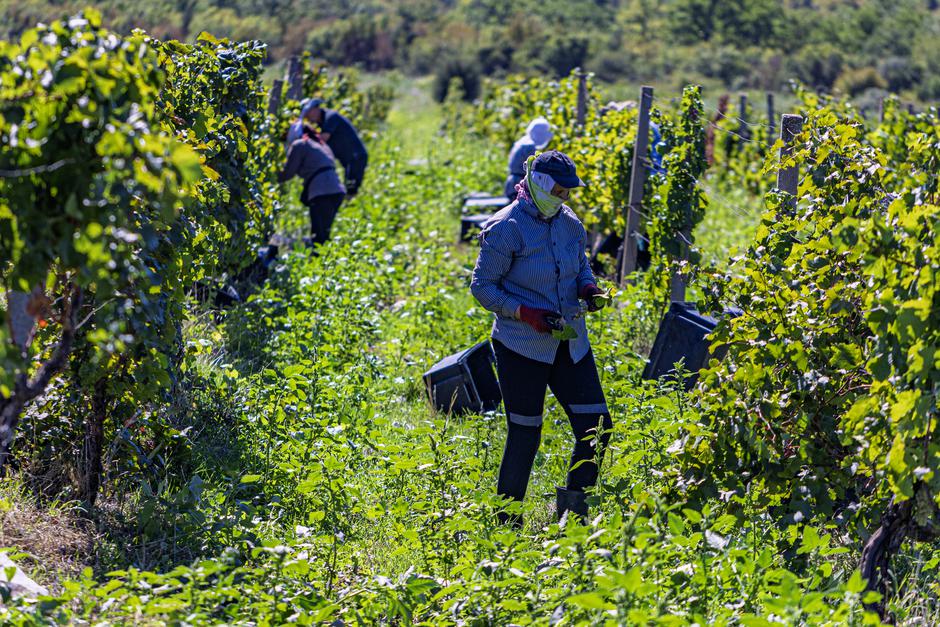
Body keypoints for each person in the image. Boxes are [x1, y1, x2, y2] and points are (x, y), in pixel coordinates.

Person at [470, 150, 613, 527]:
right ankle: (507, 525)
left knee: (597, 427)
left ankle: (572, 518)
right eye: (558, 191)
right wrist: (524, 312)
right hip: (521, 346)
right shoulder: (506, 227)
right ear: (538, 185)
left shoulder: (570, 224)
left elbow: (580, 266)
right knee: (525, 433)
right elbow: (482, 286)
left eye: (568, 193)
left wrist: (588, 288)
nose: (563, 198)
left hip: (570, 343)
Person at [278, 125, 346, 246]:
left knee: (318, 236)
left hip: (322, 191)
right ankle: (325, 255)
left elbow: (288, 173)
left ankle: (317, 255)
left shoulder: (300, 144)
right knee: (324, 232)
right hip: (337, 190)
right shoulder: (322, 145)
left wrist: (269, 177)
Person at [288, 98, 368, 197]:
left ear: (316, 109)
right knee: (349, 189)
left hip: (356, 157)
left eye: (308, 114)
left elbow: (323, 139)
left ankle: (352, 203)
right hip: (350, 159)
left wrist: (302, 139)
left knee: (351, 191)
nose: (307, 118)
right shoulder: (322, 123)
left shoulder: (330, 117)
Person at [504, 117, 553, 201]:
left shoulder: (524, 142)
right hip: (519, 185)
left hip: (514, 183)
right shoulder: (529, 147)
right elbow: (537, 168)